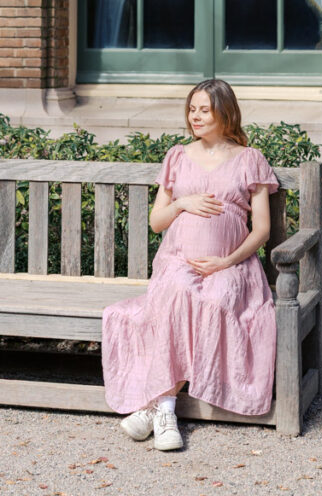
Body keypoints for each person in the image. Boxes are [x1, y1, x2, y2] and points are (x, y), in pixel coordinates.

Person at [101, 78, 279, 451]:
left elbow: (261, 229)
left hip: (233, 265)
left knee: (214, 301)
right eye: (191, 109)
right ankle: (166, 410)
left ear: (225, 113)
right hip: (177, 260)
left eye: (204, 110)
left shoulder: (250, 159)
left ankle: (153, 409)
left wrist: (226, 261)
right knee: (179, 293)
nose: (195, 116)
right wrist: (183, 203)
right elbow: (156, 221)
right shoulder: (178, 156)